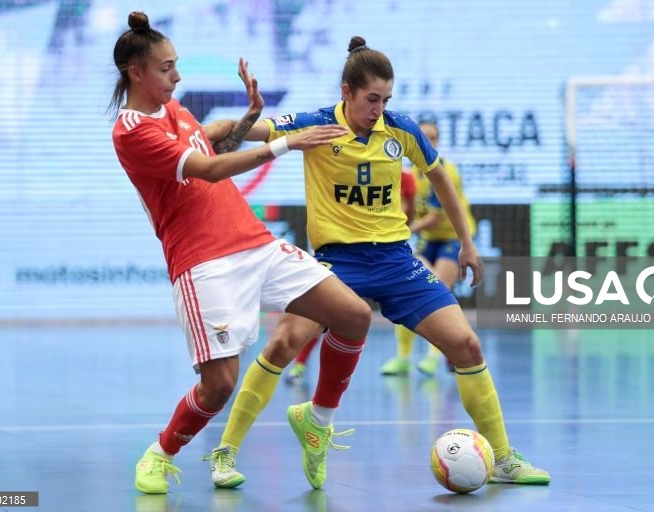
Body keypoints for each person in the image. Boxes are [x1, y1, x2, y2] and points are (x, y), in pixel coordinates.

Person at [209, 36, 550, 489]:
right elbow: (239, 132)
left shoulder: (400, 130)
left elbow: (440, 178)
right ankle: (226, 453)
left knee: (467, 345)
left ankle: (503, 458)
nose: (379, 109)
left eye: (386, 99)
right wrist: (205, 131)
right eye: (372, 99)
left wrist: (466, 242)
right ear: (346, 92)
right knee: (284, 342)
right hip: (337, 262)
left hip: (395, 261)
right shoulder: (315, 124)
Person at [109, 12, 371, 494]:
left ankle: (317, 420)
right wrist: (287, 143)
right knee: (219, 386)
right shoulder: (130, 131)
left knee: (353, 315)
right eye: (166, 68)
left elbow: (213, 145)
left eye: (176, 65)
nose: (177, 76)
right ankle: (160, 454)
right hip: (203, 263)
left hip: (256, 244)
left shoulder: (175, 110)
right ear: (136, 72)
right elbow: (208, 169)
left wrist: (249, 117)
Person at [284, 168, 417, 385]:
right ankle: (299, 364)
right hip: (346, 254)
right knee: (321, 314)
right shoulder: (346, 169)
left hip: (389, 253)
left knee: (422, 303)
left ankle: (422, 358)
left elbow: (409, 213)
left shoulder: (406, 176)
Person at [380, 119, 477, 378]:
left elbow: (435, 217)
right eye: (424, 137)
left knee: (437, 289)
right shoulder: (409, 174)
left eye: (433, 138)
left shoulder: (444, 171)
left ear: (438, 142)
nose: (428, 143)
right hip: (429, 239)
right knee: (410, 290)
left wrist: (405, 229)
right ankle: (403, 358)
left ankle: (435, 357)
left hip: (454, 237)